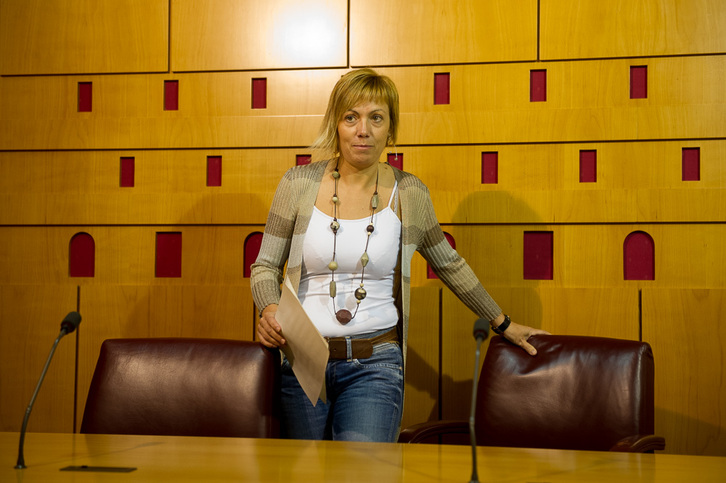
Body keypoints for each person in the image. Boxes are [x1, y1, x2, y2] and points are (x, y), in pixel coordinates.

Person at [251, 68, 549, 443]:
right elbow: (264, 266)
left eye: (376, 118)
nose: (363, 130)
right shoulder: (297, 184)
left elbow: (450, 265)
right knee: (303, 469)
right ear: (336, 124)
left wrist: (503, 323)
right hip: (300, 360)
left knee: (363, 469)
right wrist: (269, 308)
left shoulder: (410, 193)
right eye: (351, 117)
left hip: (375, 365)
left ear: (390, 128)